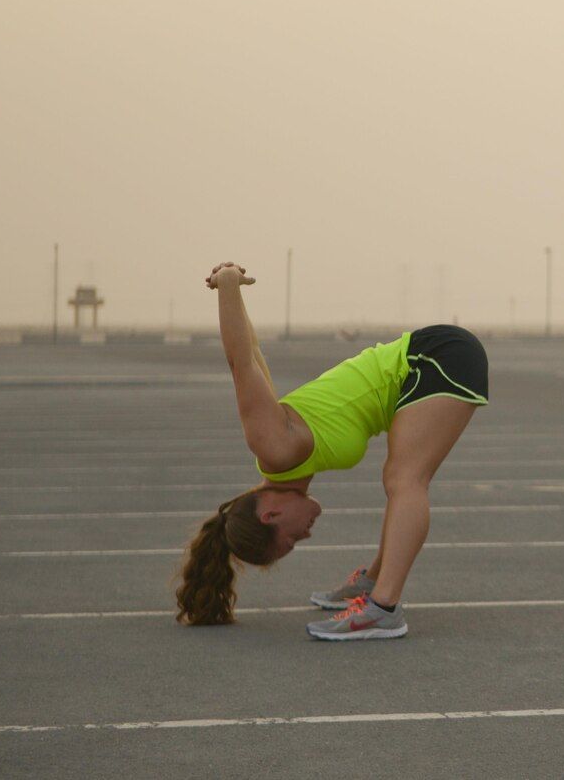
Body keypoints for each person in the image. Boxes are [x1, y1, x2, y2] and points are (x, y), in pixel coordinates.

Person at [174, 262, 488, 640]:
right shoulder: (286, 459)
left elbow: (243, 362)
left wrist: (227, 285)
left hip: (433, 359)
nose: (303, 538)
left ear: (270, 512)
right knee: (399, 479)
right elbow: (254, 354)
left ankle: (383, 608)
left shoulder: (273, 446)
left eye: (290, 540)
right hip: (429, 362)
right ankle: (373, 583)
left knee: (404, 479)